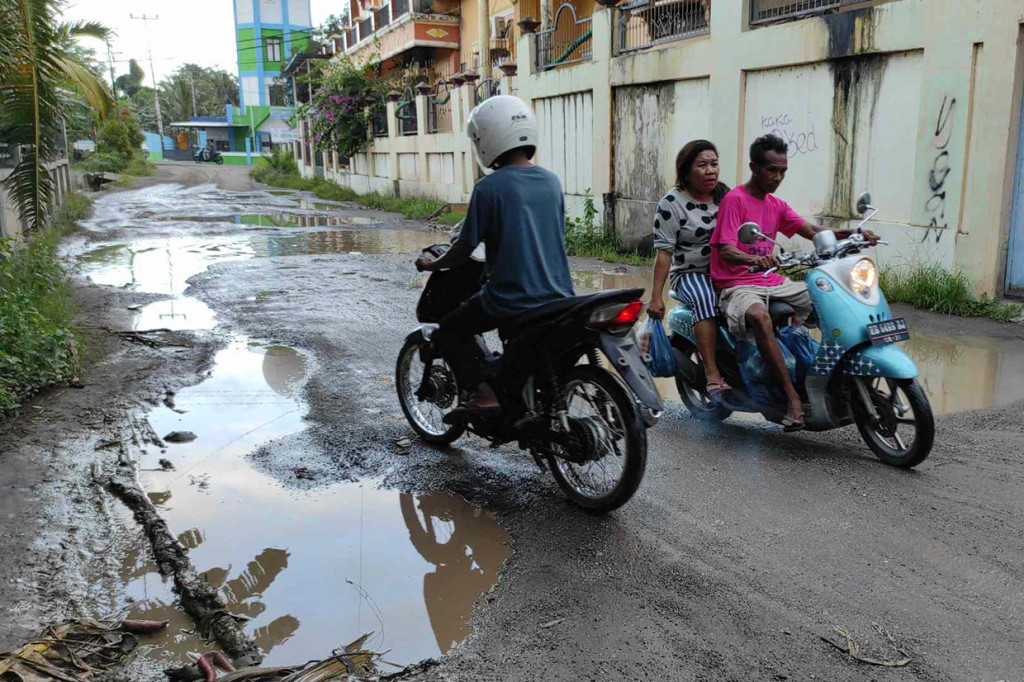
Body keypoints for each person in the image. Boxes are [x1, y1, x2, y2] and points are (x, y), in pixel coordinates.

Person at [415, 95, 574, 411]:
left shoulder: (488, 188)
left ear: (484, 138)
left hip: (510, 299)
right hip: (559, 297)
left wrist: (434, 264)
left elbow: (463, 249)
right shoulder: (552, 182)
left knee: (448, 330)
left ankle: (482, 394)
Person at [711, 134, 876, 431]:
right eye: (771, 170)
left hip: (773, 280)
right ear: (754, 167)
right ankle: (792, 400)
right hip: (737, 283)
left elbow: (811, 229)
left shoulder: (776, 204)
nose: (778, 177)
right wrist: (752, 259)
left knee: (831, 299)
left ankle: (832, 378)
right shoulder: (735, 200)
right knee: (759, 317)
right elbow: (726, 248)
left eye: (783, 171)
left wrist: (853, 234)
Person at [647, 139, 730, 398]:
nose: (710, 171)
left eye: (714, 164)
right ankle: (712, 372)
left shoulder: (725, 195)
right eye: (702, 165)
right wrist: (655, 297)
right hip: (690, 273)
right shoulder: (671, 203)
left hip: (726, 270)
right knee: (705, 299)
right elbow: (664, 253)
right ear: (685, 170)